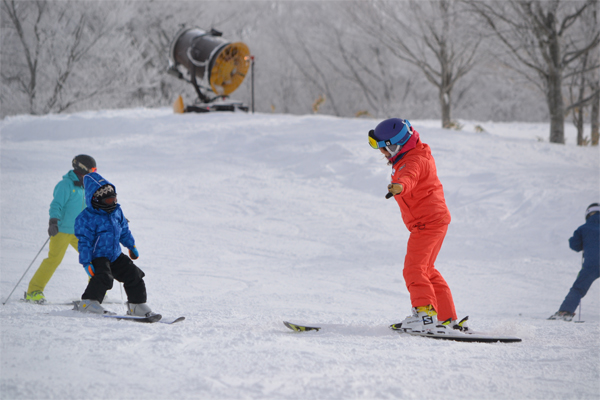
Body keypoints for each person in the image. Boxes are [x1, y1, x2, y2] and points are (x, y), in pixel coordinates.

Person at [368, 118, 467, 334]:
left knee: (413, 269)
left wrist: (400, 186)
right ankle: (446, 318)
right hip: (434, 221)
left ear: (396, 145)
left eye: (383, 148)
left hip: (427, 224)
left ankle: (425, 315)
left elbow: (409, 176)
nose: (382, 153)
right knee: (427, 270)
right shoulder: (415, 154)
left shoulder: (413, 160)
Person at [73, 171, 159, 318]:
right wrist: (86, 262)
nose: (112, 203)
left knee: (134, 274)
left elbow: (124, 230)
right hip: (98, 256)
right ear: (96, 199)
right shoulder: (86, 218)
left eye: (114, 199)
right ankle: (88, 302)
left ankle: (136, 305)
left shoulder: (116, 212)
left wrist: (131, 246)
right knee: (104, 277)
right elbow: (84, 242)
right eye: (108, 201)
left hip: (115, 255)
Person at [24, 155, 97, 303]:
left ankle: (96, 291)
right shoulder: (66, 185)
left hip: (80, 231)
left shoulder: (87, 185)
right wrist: (53, 222)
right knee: (54, 260)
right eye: (92, 169)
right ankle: (34, 291)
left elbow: (95, 205)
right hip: (62, 230)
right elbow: (56, 205)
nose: (94, 172)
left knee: (95, 258)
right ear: (82, 168)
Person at [549, 203, 600, 321]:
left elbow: (575, 245)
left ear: (588, 214)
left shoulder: (583, 228)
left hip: (592, 265)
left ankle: (565, 313)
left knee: (578, 288)